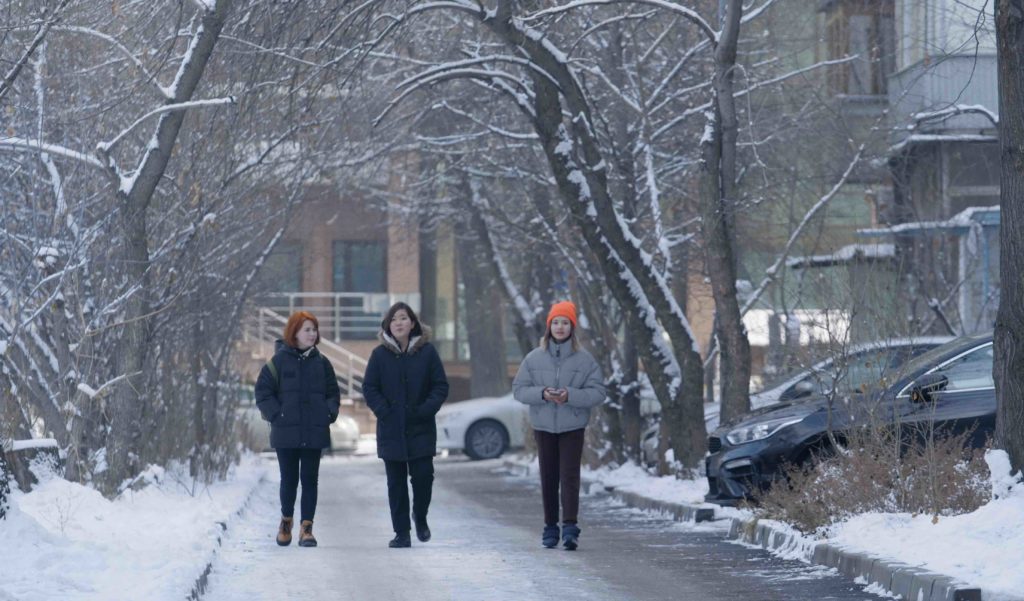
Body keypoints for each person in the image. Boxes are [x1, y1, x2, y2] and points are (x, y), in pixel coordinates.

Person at [513, 300, 605, 550]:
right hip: (543, 426)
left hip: (572, 426)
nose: (560, 327)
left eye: (565, 322)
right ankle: (550, 527)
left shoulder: (584, 360)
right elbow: (519, 390)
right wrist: (543, 394)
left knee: (570, 476)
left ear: (572, 327)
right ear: (549, 326)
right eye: (556, 322)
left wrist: (570, 396)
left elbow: (598, 392)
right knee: (548, 477)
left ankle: (570, 528)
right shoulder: (534, 358)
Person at [362, 302, 449, 548]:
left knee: (423, 477)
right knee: (396, 483)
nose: (399, 323)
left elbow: (440, 386)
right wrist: (383, 411)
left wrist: (425, 410)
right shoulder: (379, 355)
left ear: (413, 323)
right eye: (394, 319)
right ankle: (402, 533)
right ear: (388, 326)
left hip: (420, 426)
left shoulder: (428, 352)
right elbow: (369, 387)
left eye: (403, 318)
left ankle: (420, 517)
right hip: (391, 428)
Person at [255, 311, 340, 548]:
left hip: (314, 430)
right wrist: (276, 415)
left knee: (310, 479)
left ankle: (307, 528)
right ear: (294, 333)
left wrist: (328, 413)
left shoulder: (322, 363)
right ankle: (286, 521)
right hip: (286, 432)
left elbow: (333, 393)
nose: (312, 334)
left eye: (314, 329)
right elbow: (262, 392)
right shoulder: (278, 362)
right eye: (307, 330)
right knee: (289, 479)